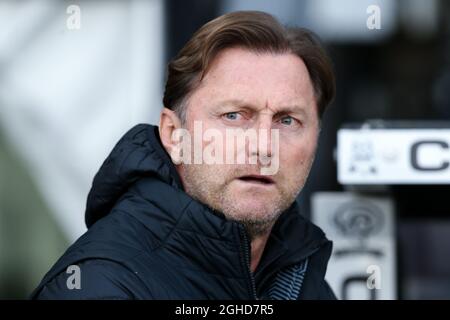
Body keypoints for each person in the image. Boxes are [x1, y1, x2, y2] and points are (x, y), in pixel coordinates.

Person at [31, 10, 336, 300]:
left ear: (317, 138)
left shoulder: (302, 278)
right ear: (173, 135)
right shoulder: (101, 287)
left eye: (287, 121)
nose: (264, 148)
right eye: (233, 116)